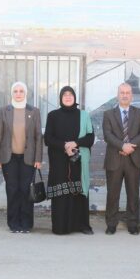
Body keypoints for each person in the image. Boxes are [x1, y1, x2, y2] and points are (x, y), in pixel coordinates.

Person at [44, 86, 95, 235]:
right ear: (60, 98)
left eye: (70, 94)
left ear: (74, 97)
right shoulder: (53, 115)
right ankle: (61, 226)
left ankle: (82, 225)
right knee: (61, 194)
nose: (67, 97)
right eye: (64, 95)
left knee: (78, 193)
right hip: (59, 161)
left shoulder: (83, 115)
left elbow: (90, 138)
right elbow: (48, 138)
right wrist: (64, 145)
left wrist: (75, 143)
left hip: (78, 160)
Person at [0, 81, 43, 233]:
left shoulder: (34, 111)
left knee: (25, 190)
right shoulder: (4, 111)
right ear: (11, 93)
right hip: (9, 158)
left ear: (26, 93)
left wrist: (38, 158)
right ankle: (13, 223)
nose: (18, 94)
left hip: (28, 158)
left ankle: (26, 224)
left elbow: (38, 136)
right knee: (12, 190)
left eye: (21, 91)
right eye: (15, 91)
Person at [102, 82, 140, 235]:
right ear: (118, 95)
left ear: (131, 96)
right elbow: (107, 135)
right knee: (113, 193)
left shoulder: (139, 113)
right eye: (122, 92)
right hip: (114, 159)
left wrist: (130, 146)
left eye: (127, 92)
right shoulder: (108, 114)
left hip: (134, 159)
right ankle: (111, 224)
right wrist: (122, 146)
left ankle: (133, 224)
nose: (124, 95)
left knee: (133, 193)